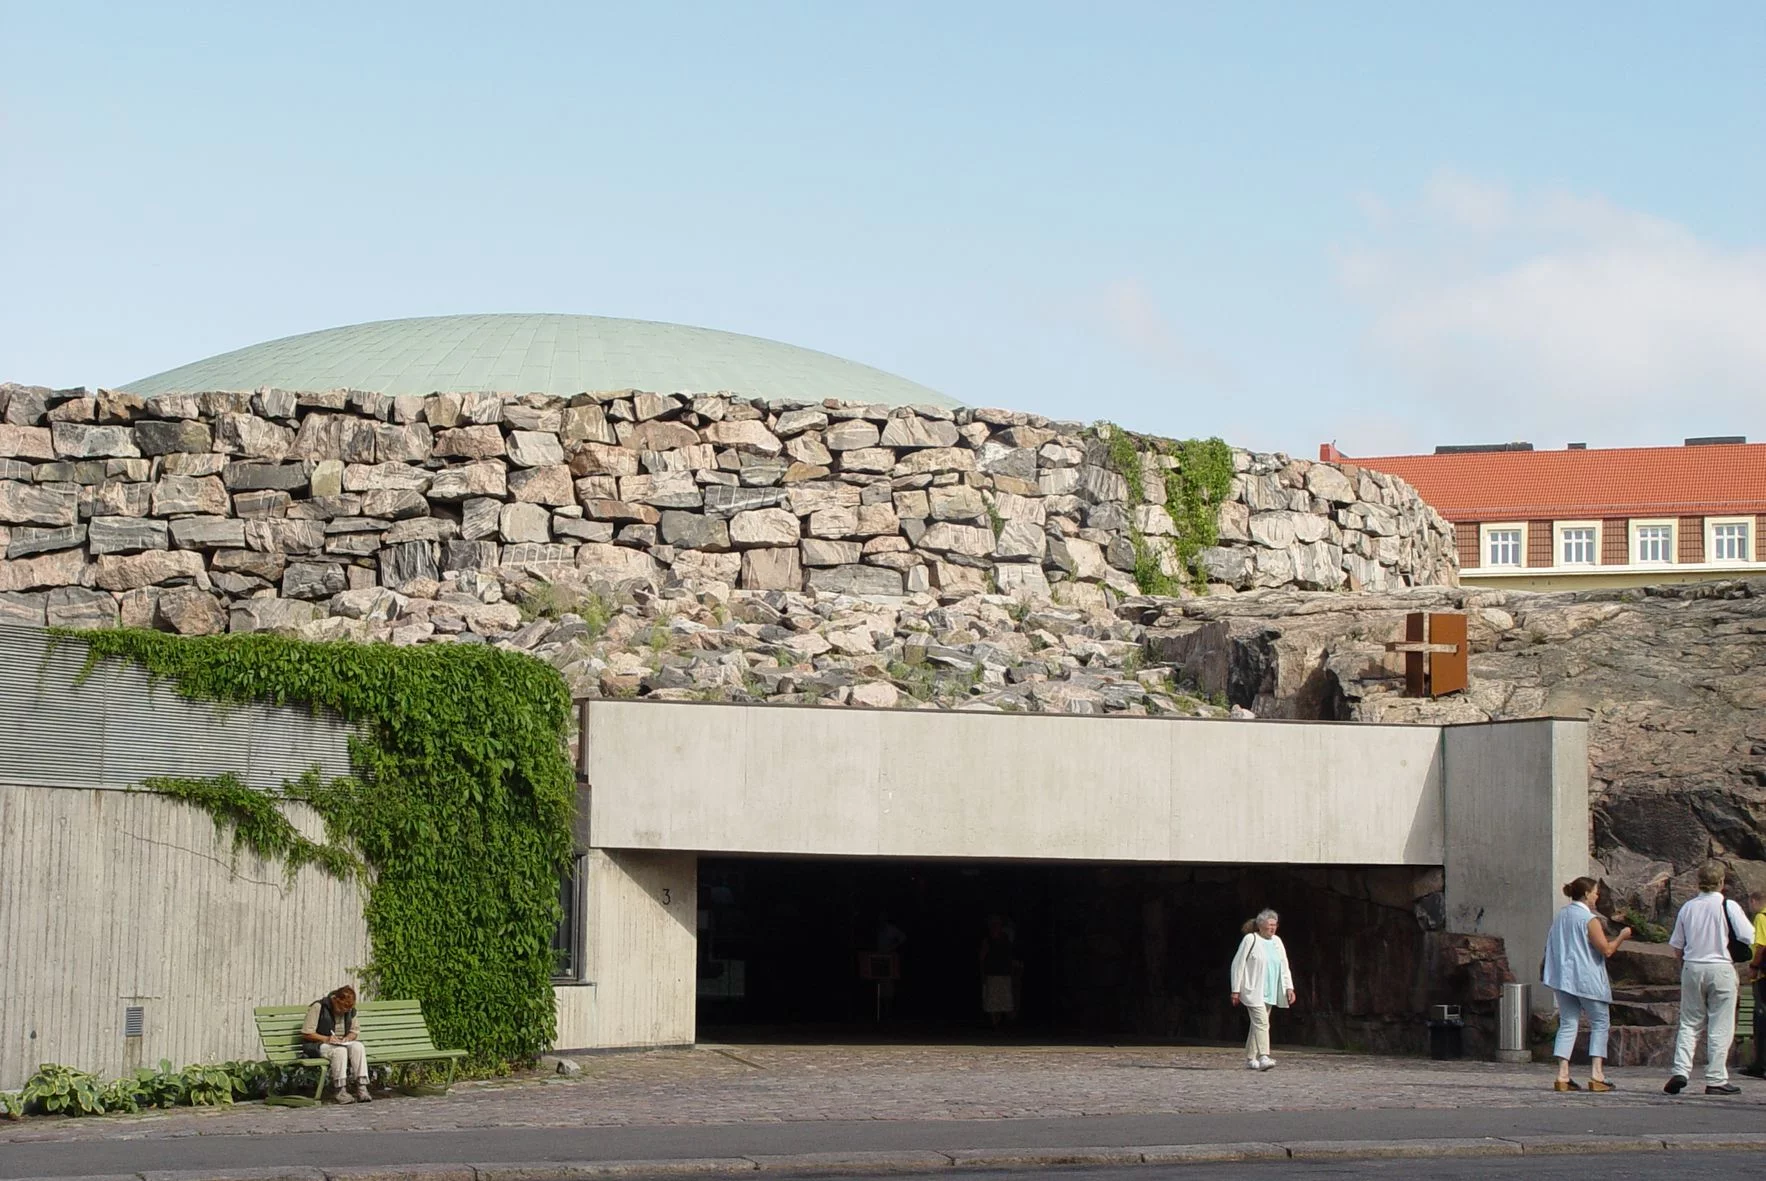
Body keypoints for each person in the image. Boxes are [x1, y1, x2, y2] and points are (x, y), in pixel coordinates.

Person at [1663, 862, 1753, 1095]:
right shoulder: (1727, 905)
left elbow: (1677, 946)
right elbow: (1747, 935)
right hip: (1720, 965)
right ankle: (1716, 1077)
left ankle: (1681, 1070)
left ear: (1698, 882)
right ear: (1721, 882)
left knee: (1690, 1022)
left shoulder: (1688, 907)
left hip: (1693, 966)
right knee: (1720, 1024)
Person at [1541, 876, 1630, 1091]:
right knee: (1600, 1022)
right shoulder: (1589, 919)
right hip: (1586, 978)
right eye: (1595, 892)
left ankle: (1562, 1074)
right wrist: (1622, 936)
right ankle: (1597, 1073)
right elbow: (1606, 950)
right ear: (1587, 894)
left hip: (1563, 978)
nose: (1597, 896)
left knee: (1568, 1023)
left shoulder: (1561, 916)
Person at [1230, 908, 1295, 1072]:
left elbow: (1284, 965)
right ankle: (1264, 1056)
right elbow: (1238, 965)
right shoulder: (1250, 939)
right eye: (1269, 925)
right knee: (1262, 1023)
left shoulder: (1277, 942)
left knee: (1257, 1024)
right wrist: (1235, 989)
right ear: (1260, 925)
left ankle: (1251, 1058)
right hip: (1253, 989)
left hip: (1271, 990)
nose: (1272, 928)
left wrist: (1289, 987)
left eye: (1275, 925)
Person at [301, 984, 371, 1103]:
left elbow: (354, 1031)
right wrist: (327, 1039)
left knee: (358, 1046)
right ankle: (340, 1090)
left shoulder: (350, 1010)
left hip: (339, 1042)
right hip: (318, 1045)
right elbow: (307, 1033)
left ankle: (362, 1087)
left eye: (348, 1008)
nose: (345, 1010)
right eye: (343, 1007)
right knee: (340, 1051)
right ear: (336, 1000)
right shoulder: (319, 1007)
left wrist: (347, 1038)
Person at [979, 914, 1020, 1029]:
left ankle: (1005, 1026)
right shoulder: (987, 941)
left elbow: (1008, 955)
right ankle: (994, 1025)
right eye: (994, 925)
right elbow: (982, 958)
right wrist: (983, 973)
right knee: (992, 1002)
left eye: (998, 924)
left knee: (1005, 1001)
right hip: (992, 974)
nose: (996, 927)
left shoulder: (1006, 938)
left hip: (1004, 973)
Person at [1743, 888, 1766, 1081]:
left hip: (1763, 975)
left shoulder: (1761, 918)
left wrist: (1753, 966)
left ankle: (1761, 1065)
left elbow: (1760, 945)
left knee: (1761, 1019)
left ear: (1754, 901)